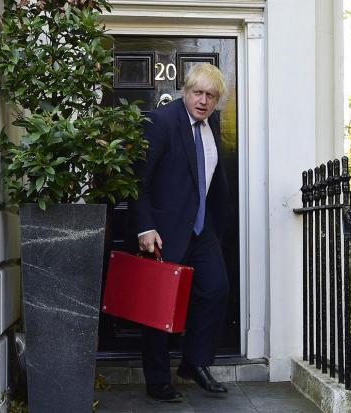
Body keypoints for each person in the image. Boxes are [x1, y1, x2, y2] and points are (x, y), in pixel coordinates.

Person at [129, 63, 230, 402]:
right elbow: (137, 181)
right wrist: (145, 226)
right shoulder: (161, 122)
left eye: (210, 96)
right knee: (160, 306)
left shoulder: (211, 124)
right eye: (198, 93)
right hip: (163, 231)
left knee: (215, 290)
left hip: (202, 230)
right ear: (185, 92)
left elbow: (212, 179)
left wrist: (221, 223)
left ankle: (194, 362)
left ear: (217, 101)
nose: (203, 101)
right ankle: (157, 381)